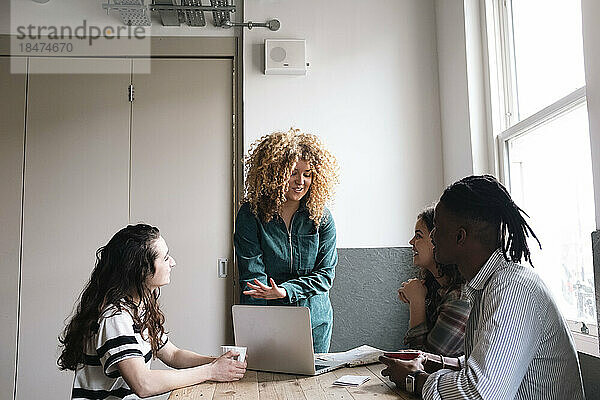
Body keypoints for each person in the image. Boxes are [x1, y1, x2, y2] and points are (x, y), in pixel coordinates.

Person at [379, 175, 585, 399]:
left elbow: (479, 393)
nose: (433, 236)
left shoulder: (512, 289)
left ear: (460, 237)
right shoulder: (487, 285)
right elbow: (476, 366)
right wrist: (428, 362)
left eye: (437, 227)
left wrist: (414, 379)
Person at [58, 224, 246, 399]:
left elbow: (173, 355)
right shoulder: (115, 317)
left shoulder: (139, 308)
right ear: (141, 270)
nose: (173, 262)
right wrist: (211, 371)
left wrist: (218, 362)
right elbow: (143, 384)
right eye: (165, 257)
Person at [234, 129, 339, 353]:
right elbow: (253, 278)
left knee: (312, 386)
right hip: (269, 322)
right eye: (293, 172)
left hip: (315, 321)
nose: (301, 181)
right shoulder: (250, 214)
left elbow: (325, 275)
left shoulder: (321, 216)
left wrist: (285, 290)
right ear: (274, 172)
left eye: (308, 173)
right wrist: (260, 326)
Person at [399, 208, 470, 357]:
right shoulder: (437, 289)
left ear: (438, 239)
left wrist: (416, 302)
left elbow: (425, 361)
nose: (411, 242)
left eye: (418, 236)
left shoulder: (460, 297)